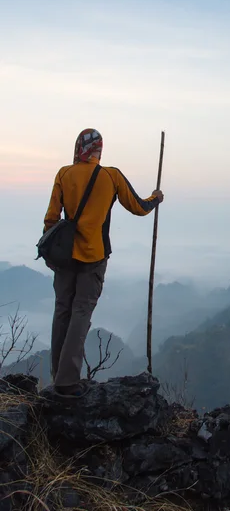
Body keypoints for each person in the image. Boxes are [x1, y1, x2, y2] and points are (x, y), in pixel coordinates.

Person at [43, 128, 164, 398]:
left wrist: (51, 253)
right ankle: (67, 381)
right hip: (94, 255)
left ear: (77, 149)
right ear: (99, 150)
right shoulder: (111, 176)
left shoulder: (64, 174)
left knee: (62, 310)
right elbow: (138, 207)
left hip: (64, 256)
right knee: (81, 312)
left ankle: (57, 377)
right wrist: (156, 198)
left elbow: (51, 218)